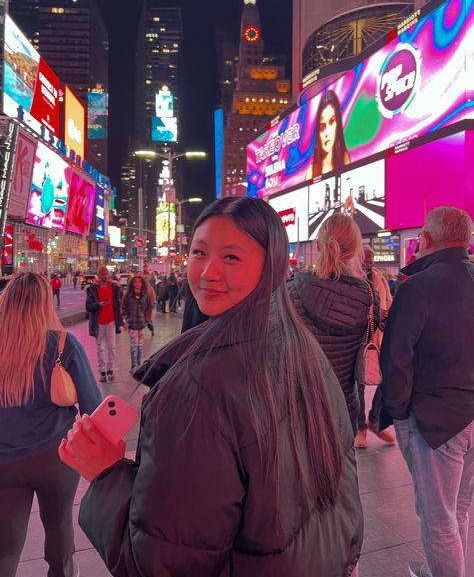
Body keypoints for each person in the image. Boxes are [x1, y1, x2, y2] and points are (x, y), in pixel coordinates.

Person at [60, 197, 363, 576]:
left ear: (273, 267)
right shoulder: (300, 346)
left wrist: (105, 474)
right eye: (199, 252)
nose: (207, 272)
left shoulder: (197, 390)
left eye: (231, 257)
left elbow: (162, 565)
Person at [380, 206, 474, 577]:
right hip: (467, 414)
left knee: (438, 519)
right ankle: (444, 569)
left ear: (427, 240)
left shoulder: (418, 286)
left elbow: (396, 358)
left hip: (436, 422)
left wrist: (400, 413)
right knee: (459, 509)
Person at [0, 272, 102, 577]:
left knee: (5, 544)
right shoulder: (62, 344)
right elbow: (93, 407)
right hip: (55, 456)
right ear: (46, 302)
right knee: (58, 526)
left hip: (4, 460)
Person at [288, 213, 379, 435]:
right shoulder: (369, 297)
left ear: (318, 246)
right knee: (343, 467)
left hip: (298, 406)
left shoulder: (291, 291)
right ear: (357, 248)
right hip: (344, 407)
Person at [355, 245, 395, 448]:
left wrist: (386, 315)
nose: (369, 261)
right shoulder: (351, 277)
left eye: (371, 257)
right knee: (359, 386)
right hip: (359, 339)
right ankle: (360, 429)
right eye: (365, 257)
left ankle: (375, 421)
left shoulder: (379, 277)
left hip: (380, 337)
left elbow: (387, 302)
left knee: (386, 379)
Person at [85, 266, 122, 383]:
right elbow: (88, 307)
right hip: (99, 322)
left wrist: (121, 321)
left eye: (106, 274)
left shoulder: (114, 287)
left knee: (112, 347)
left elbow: (118, 304)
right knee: (100, 347)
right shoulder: (93, 289)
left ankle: (110, 370)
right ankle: (102, 371)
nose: (105, 276)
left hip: (111, 321)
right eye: (102, 274)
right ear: (98, 275)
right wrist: (99, 305)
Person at [311, 90, 350, 178]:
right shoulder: (312, 170)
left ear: (338, 123)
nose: (327, 133)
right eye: (322, 127)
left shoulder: (344, 158)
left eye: (332, 122)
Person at [122, 275, 153, 372]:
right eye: (135, 282)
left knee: (140, 345)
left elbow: (149, 307)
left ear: (142, 283)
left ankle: (139, 364)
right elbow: (124, 308)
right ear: (132, 283)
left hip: (141, 324)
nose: (137, 284)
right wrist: (126, 319)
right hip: (132, 324)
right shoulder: (128, 296)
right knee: (133, 345)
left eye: (139, 282)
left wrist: (147, 318)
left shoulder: (145, 295)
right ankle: (133, 365)